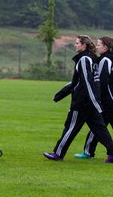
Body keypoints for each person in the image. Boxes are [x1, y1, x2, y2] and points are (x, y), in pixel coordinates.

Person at [44, 35, 113, 163]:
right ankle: (112, 153)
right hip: (90, 102)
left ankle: (58, 154)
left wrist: (95, 103)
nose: (75, 45)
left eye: (77, 43)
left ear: (84, 45)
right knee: (100, 130)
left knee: (70, 128)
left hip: (82, 103)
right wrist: (60, 94)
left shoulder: (84, 60)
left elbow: (87, 83)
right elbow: (78, 82)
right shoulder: (92, 59)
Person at [74, 37, 113, 159]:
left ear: (106, 47)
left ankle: (89, 152)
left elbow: (102, 82)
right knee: (99, 127)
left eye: (99, 45)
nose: (96, 47)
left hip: (108, 101)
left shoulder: (105, 60)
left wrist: (99, 99)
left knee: (97, 127)